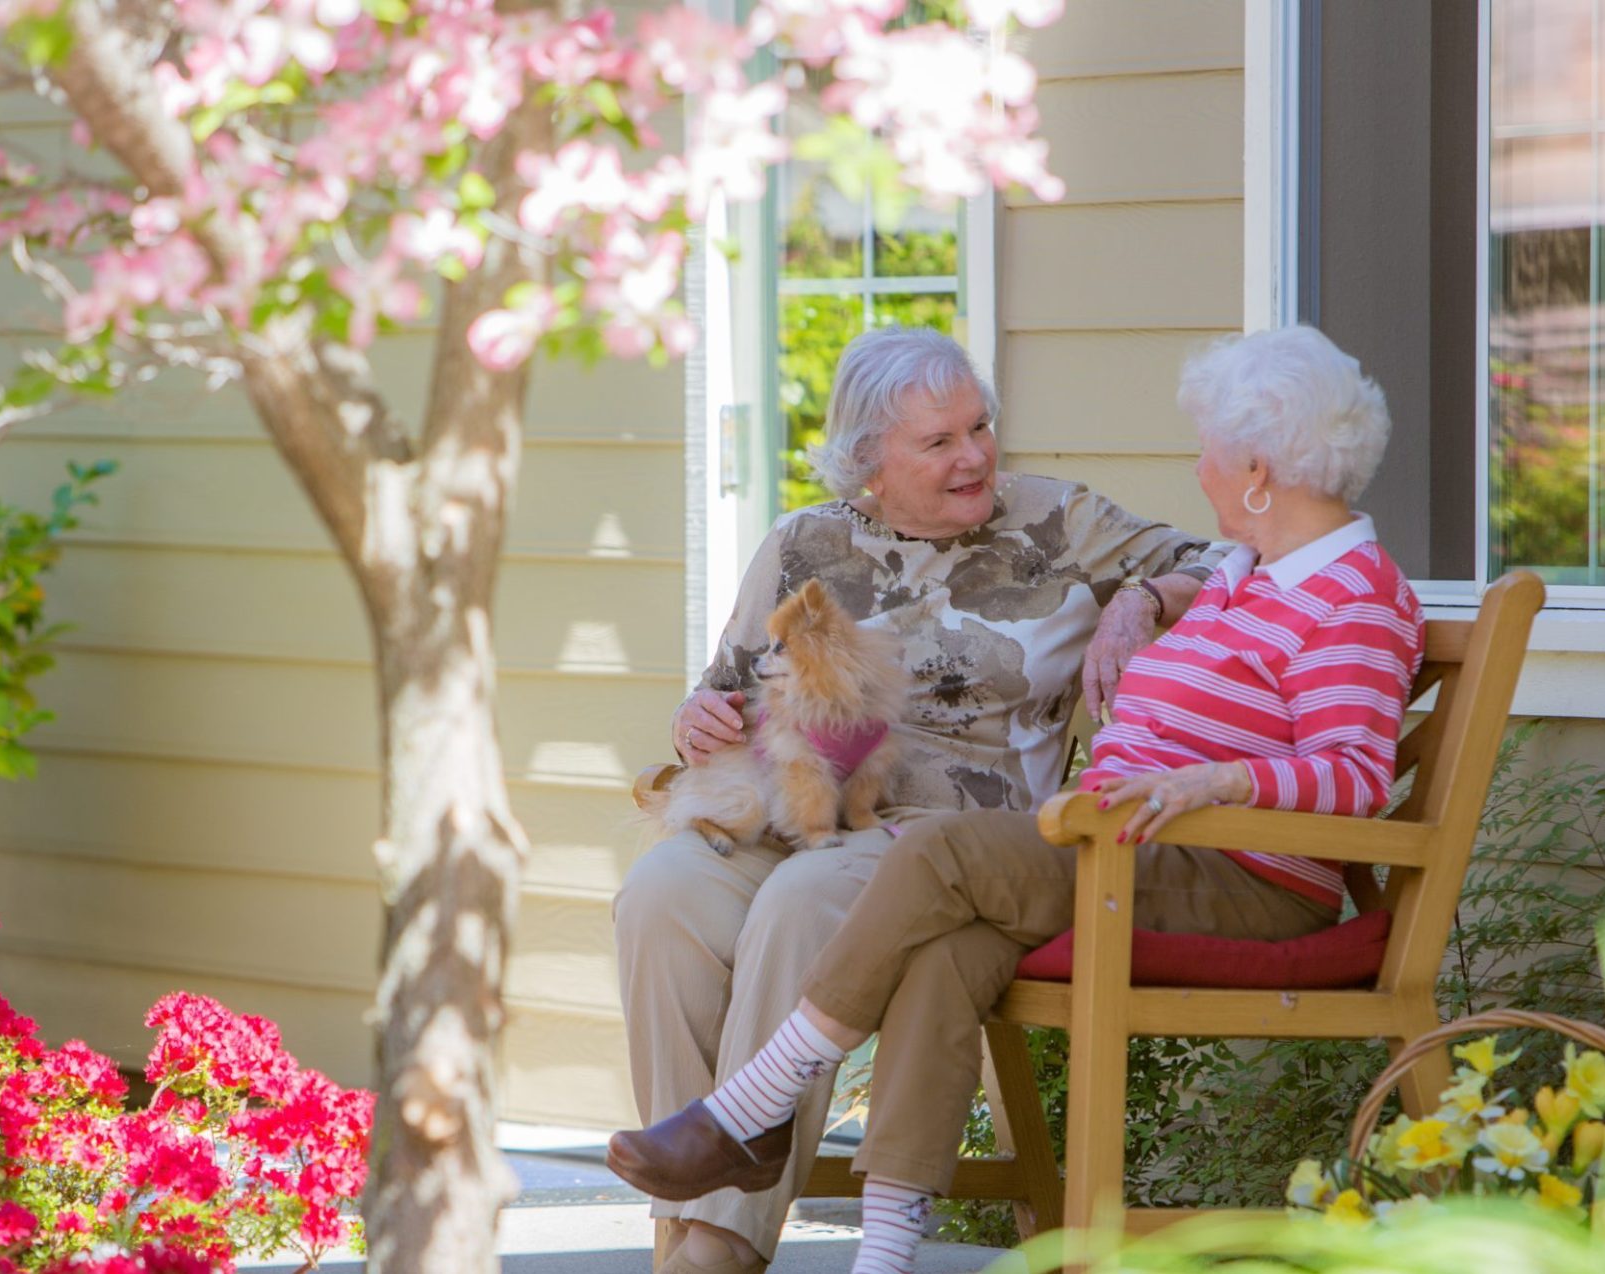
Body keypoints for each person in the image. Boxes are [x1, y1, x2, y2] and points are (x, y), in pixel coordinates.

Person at [607, 325, 1423, 1274]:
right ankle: (745, 1214)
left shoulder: (1069, 525)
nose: (976, 454)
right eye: (941, 441)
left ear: (1253, 467)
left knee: (809, 902)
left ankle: (721, 1222)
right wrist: (696, 719)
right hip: (795, 810)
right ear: (870, 463)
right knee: (662, 896)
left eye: (979, 427)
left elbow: (1297, 700)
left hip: (962, 831)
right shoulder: (803, 541)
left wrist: (1141, 603)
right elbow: (728, 686)